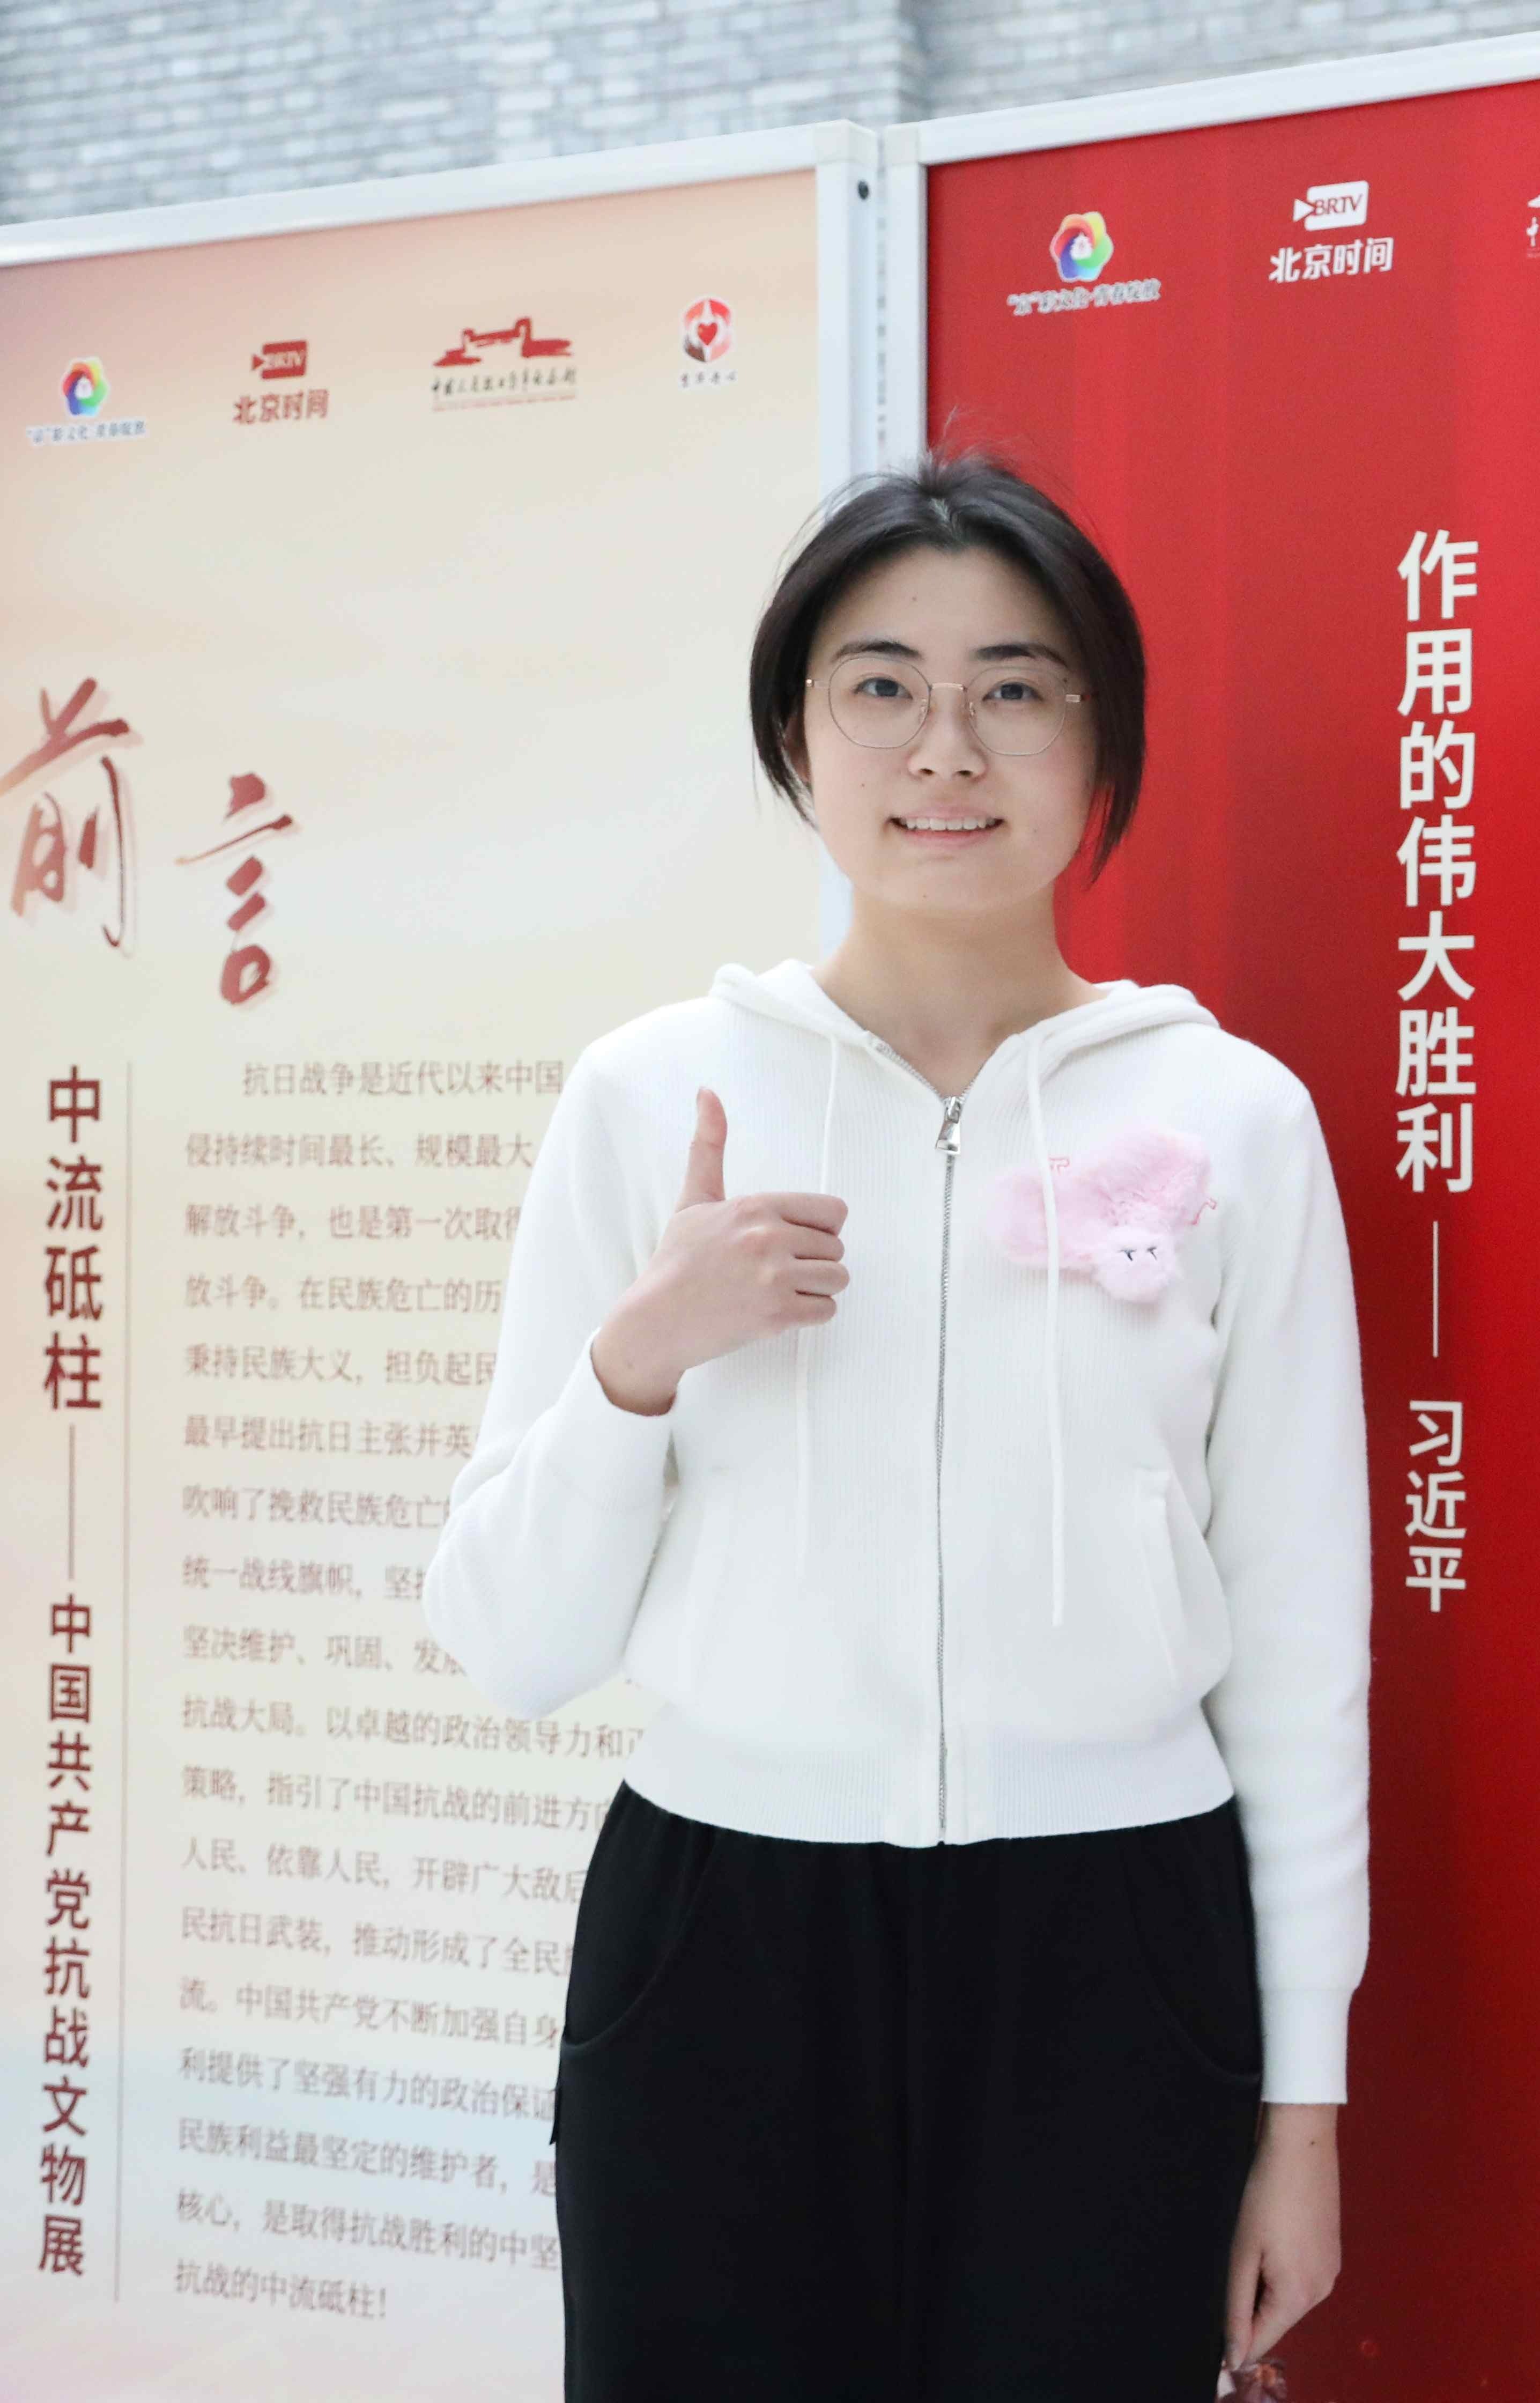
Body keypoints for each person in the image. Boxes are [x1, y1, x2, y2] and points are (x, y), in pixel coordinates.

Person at [423, 451, 1367, 2399]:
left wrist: (1303, 2110)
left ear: (1101, 745)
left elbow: (1299, 1645)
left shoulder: (1232, 1118)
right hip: (725, 1933)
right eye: (881, 686)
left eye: (1016, 687)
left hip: (1119, 1937)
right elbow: (512, 1643)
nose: (948, 746)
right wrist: (642, 1359)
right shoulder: (649, 1098)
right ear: (796, 733)